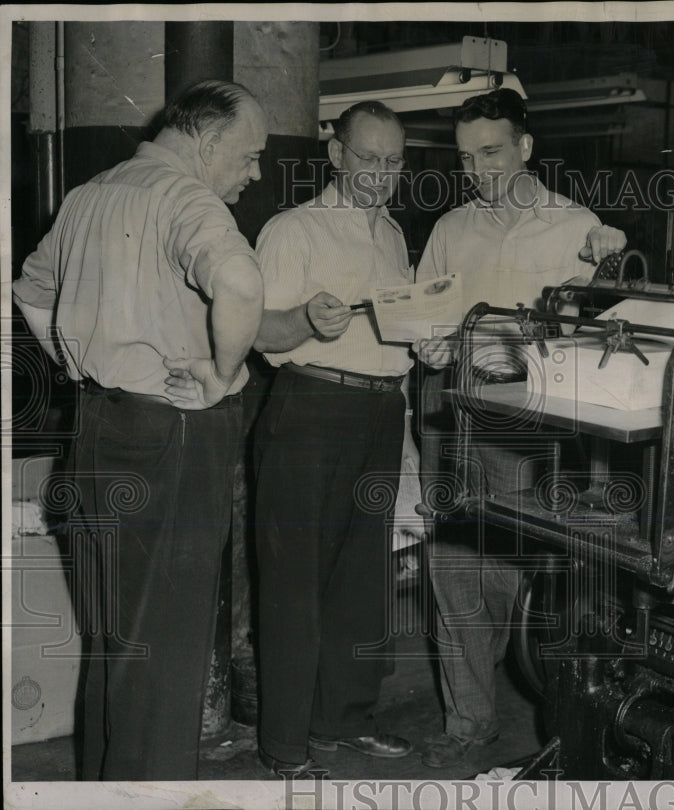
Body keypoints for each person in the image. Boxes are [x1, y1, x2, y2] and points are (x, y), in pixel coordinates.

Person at [11, 79, 268, 781]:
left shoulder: (90, 193)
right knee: (166, 658)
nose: (255, 172)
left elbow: (30, 291)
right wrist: (221, 373)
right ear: (208, 142)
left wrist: (74, 363)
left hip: (96, 428)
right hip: (173, 438)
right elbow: (242, 284)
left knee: (115, 644)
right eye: (248, 156)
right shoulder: (188, 199)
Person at [414, 87, 627, 768]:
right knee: (452, 567)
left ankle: (538, 707)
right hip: (450, 407)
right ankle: (467, 723)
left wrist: (614, 259)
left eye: (492, 152)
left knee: (513, 569)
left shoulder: (576, 228)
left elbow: (603, 335)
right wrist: (427, 343)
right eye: (467, 157)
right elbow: (426, 316)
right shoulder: (450, 228)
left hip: (527, 422)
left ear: (525, 148)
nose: (479, 169)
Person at [251, 100, 417, 777]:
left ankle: (342, 721)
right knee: (294, 587)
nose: (381, 172)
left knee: (361, 582)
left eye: (394, 160)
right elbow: (260, 334)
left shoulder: (394, 237)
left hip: (381, 412)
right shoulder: (293, 231)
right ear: (337, 155)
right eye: (369, 157)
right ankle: (286, 746)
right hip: (310, 408)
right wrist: (301, 320)